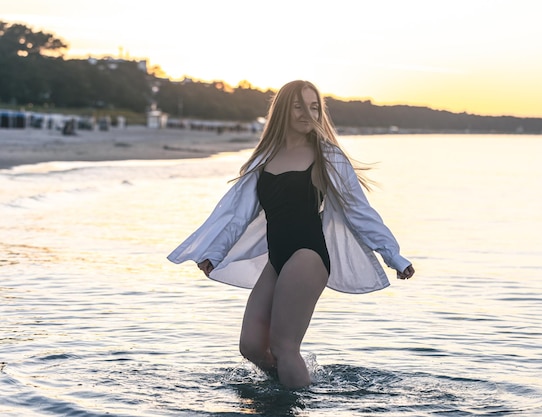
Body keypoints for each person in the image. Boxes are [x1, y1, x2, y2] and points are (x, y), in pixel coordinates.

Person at [167, 80, 414, 389]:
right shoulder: (263, 159)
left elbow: (358, 210)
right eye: (299, 106)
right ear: (283, 109)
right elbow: (236, 214)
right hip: (278, 258)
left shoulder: (328, 157)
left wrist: (393, 255)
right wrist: (214, 253)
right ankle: (291, 387)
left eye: (314, 107)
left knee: (285, 347)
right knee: (252, 346)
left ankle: (295, 400)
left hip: (308, 255)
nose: (306, 113)